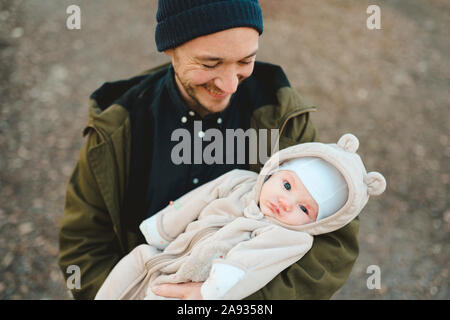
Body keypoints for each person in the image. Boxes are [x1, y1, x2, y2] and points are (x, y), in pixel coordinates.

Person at [58, 0, 360, 300]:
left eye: (245, 61)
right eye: (209, 64)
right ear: (170, 48)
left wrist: (239, 303)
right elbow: (84, 244)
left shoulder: (281, 117)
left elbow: (333, 242)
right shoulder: (119, 125)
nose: (230, 85)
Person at [94, 133, 386, 300]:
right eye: (287, 185)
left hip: (191, 283)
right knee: (133, 262)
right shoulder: (240, 182)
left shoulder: (288, 238)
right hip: (162, 255)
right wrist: (162, 227)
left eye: (304, 209)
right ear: (274, 168)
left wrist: (210, 292)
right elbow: (198, 200)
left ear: (318, 224)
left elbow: (250, 265)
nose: (285, 203)